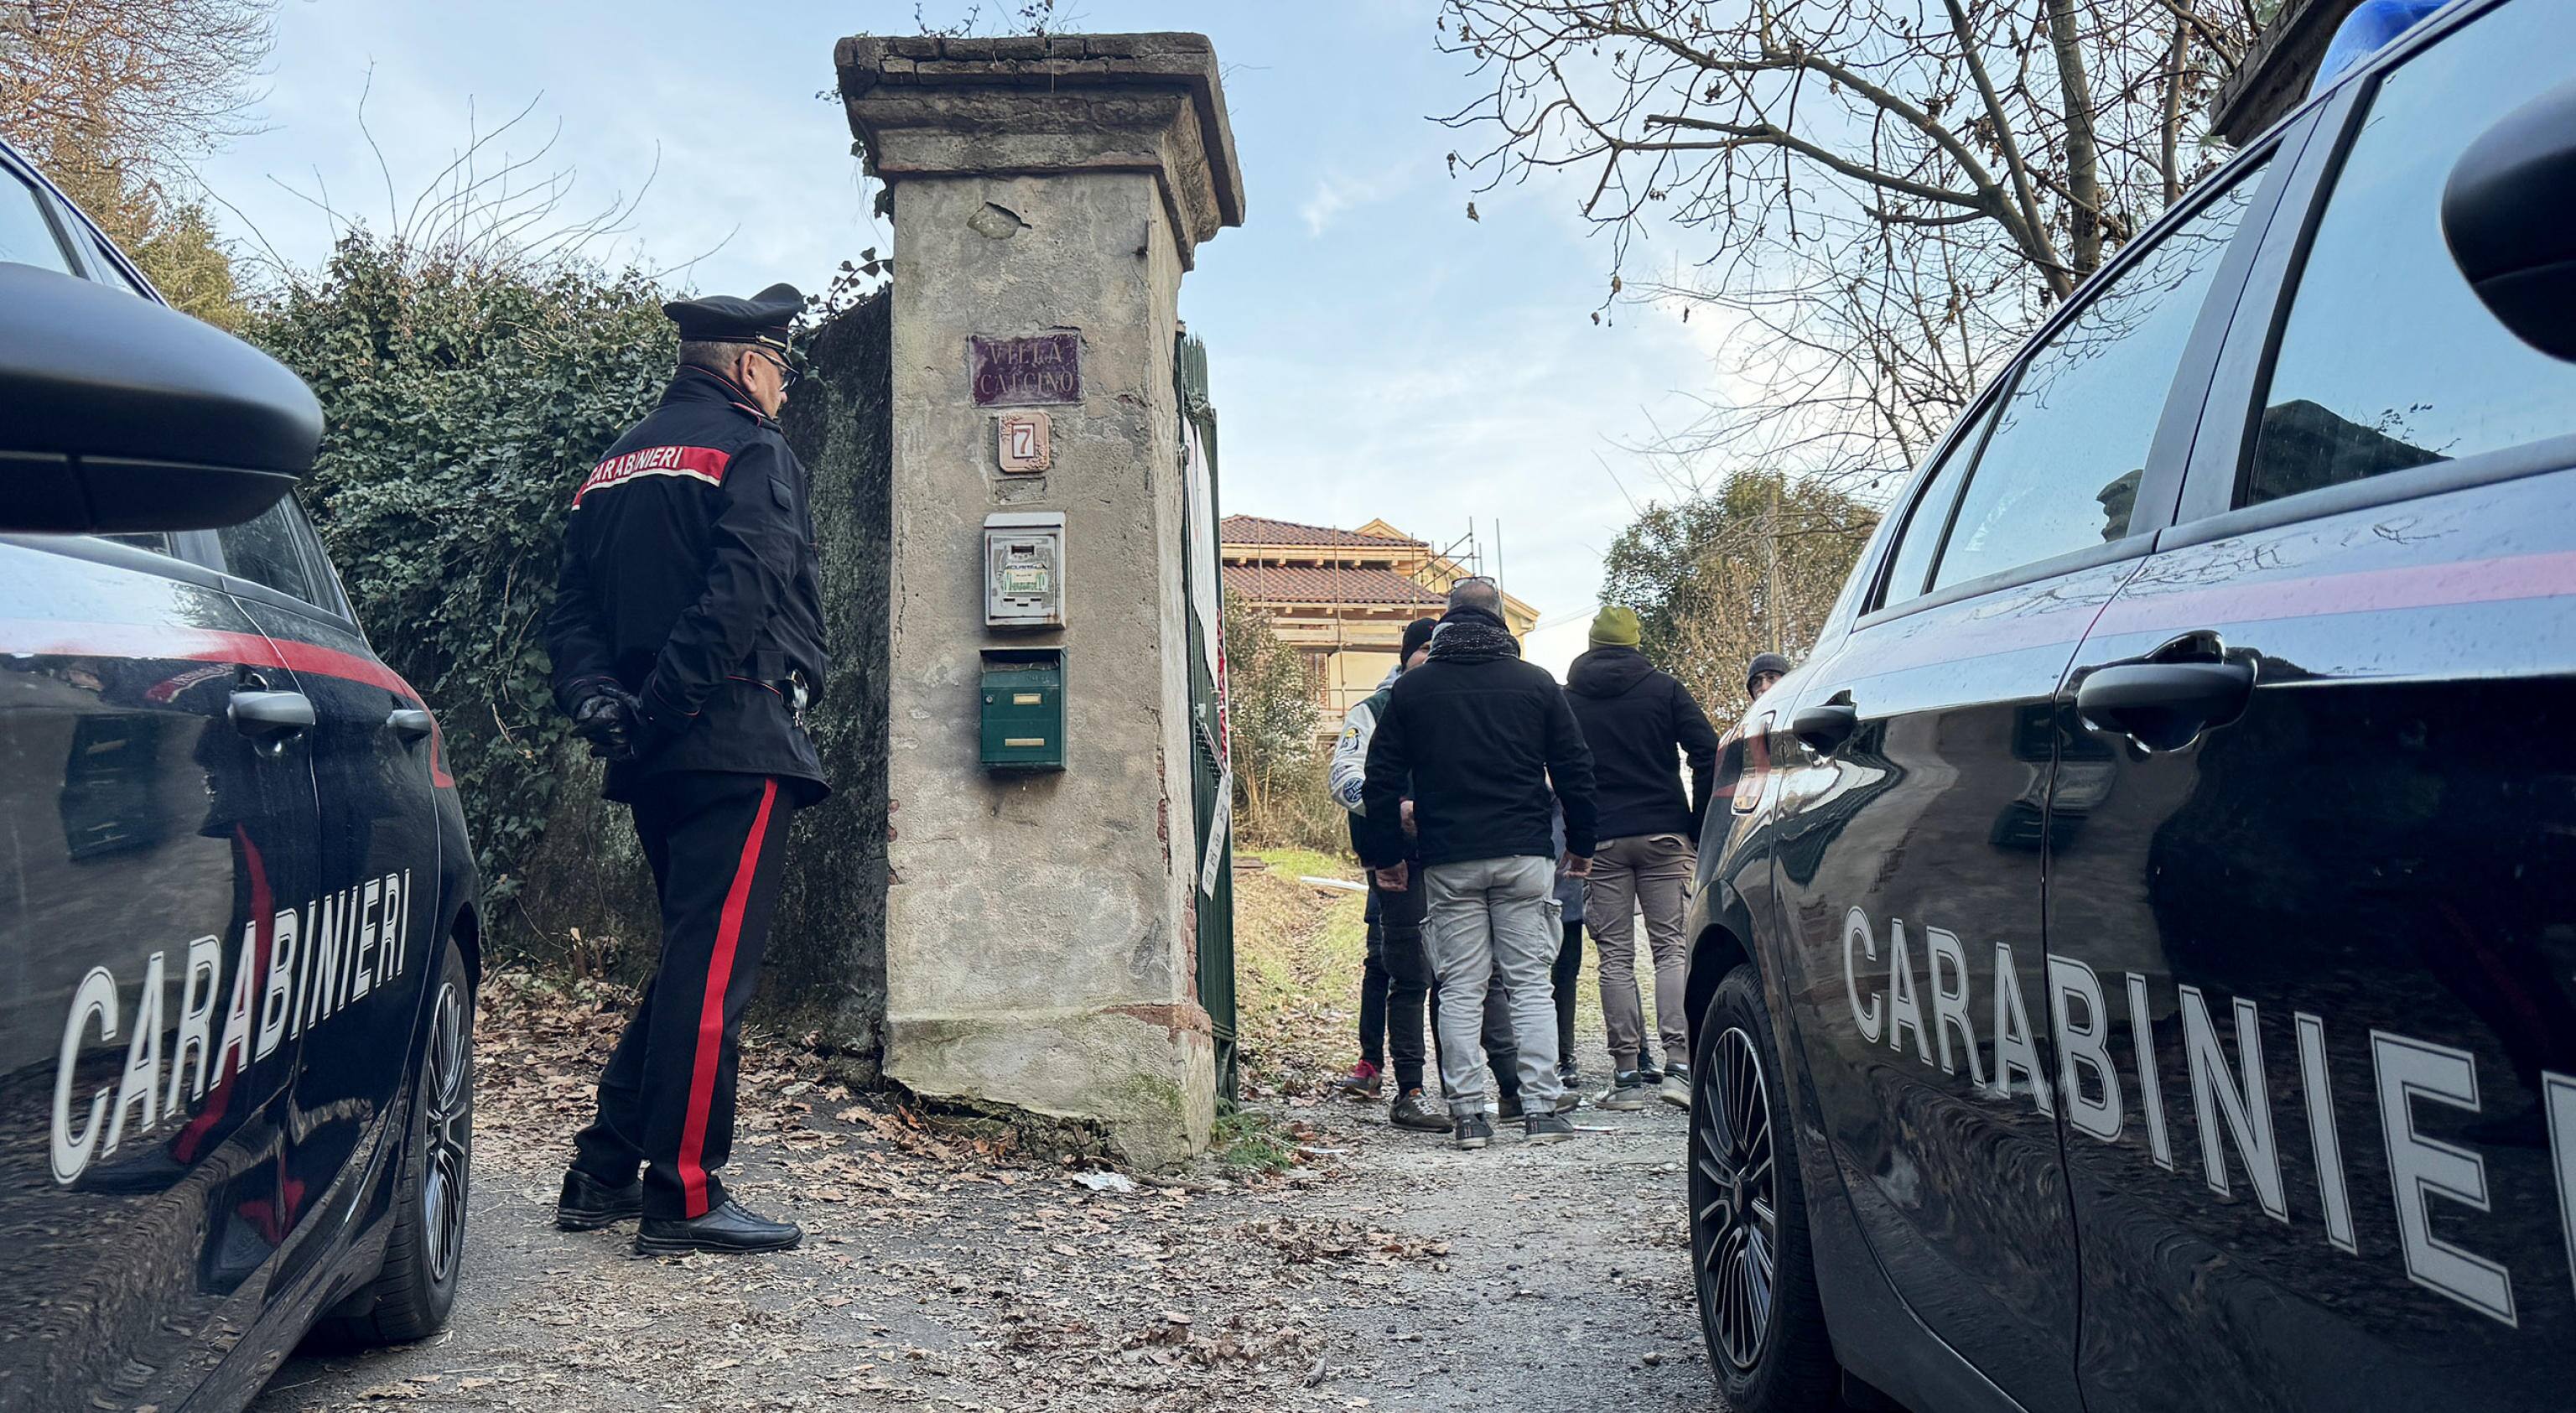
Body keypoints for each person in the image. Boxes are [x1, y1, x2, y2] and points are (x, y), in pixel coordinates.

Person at [543, 283, 827, 1256]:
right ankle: (686, 1195)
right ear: (748, 365)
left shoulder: (613, 464)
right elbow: (743, 589)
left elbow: (572, 606)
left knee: (689, 960)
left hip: (652, 750)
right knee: (711, 977)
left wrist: (601, 702)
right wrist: (667, 707)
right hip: (732, 737)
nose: (784, 389)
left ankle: (603, 1167)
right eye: (780, 369)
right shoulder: (752, 449)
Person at [1359, 579, 1597, 1150]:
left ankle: (1468, 1115)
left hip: (1449, 858)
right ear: (1500, 620)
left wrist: (1386, 856)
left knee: (1460, 987)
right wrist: (1582, 844)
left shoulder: (1414, 690)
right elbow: (1575, 769)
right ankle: (1540, 1108)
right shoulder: (1536, 683)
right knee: (1529, 985)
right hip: (1523, 852)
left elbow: (1380, 777)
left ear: (1447, 618)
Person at [1330, 617, 1524, 1132]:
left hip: (1458, 853)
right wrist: (1393, 810)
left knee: (1477, 976)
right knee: (1409, 975)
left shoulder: (1456, 699)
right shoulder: (1371, 710)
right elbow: (1344, 776)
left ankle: (1507, 1087)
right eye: (1425, 650)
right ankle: (1410, 1092)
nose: (1435, 658)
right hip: (1399, 861)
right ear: (1408, 655)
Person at [1564, 606, 1722, 1112]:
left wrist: (1579, 832)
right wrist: (1697, 823)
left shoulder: (1569, 698)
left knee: (1615, 958)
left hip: (1603, 840)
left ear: (1592, 644)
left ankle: (1628, 1077)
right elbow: (1708, 751)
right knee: (1672, 950)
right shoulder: (1664, 689)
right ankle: (1679, 1067)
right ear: (1635, 643)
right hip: (1664, 833)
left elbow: (1560, 767)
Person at [1547, 805, 1587, 1089]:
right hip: (1535, 865)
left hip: (1570, 871)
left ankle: (1564, 1055)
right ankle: (1559, 1056)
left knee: (1567, 972)